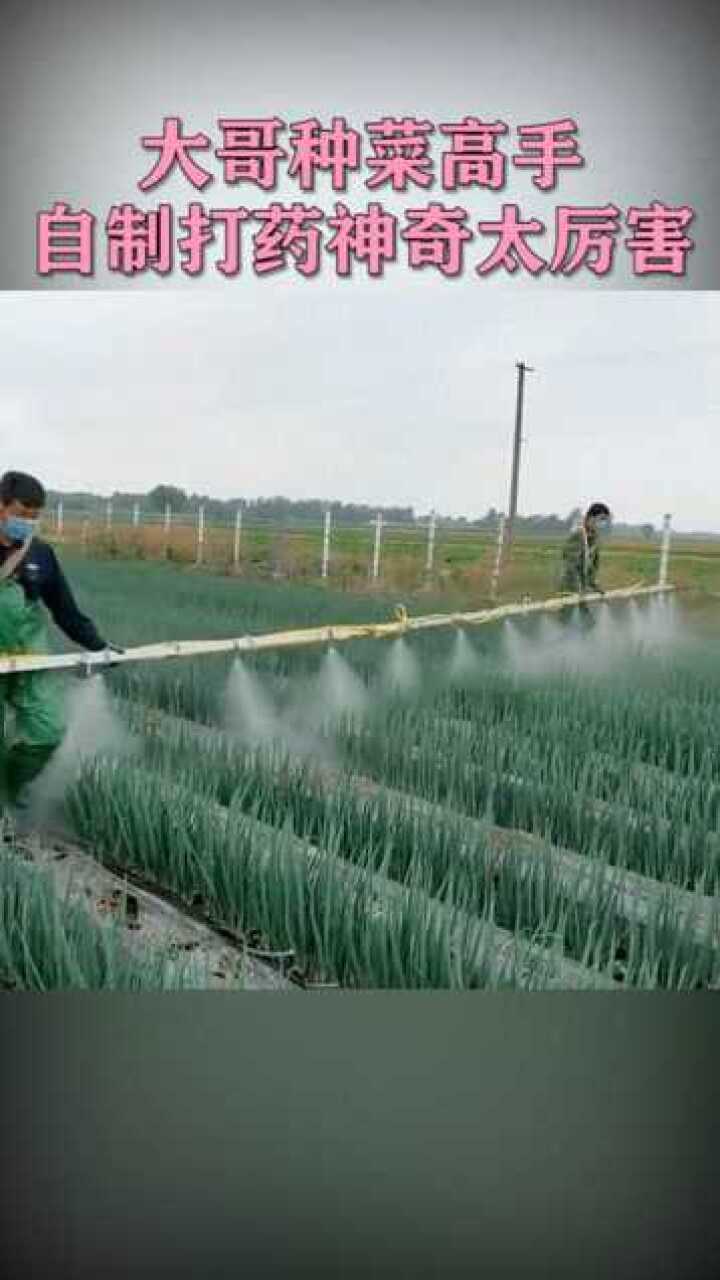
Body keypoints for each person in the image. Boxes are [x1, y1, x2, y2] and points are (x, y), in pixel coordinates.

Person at [0, 470, 121, 824]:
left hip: (28, 657)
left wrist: (99, 647)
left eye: (34, 516)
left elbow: (65, 612)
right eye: (21, 513)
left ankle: (8, 788)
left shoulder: (40, 555)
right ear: (1, 507)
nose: (28, 522)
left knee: (48, 731)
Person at [560, 502, 612, 596]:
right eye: (601, 519)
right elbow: (570, 565)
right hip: (570, 588)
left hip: (583, 588)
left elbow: (592, 566)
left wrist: (594, 585)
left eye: (605, 520)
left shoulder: (594, 537)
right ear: (591, 518)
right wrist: (577, 589)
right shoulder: (578, 534)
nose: (602, 523)